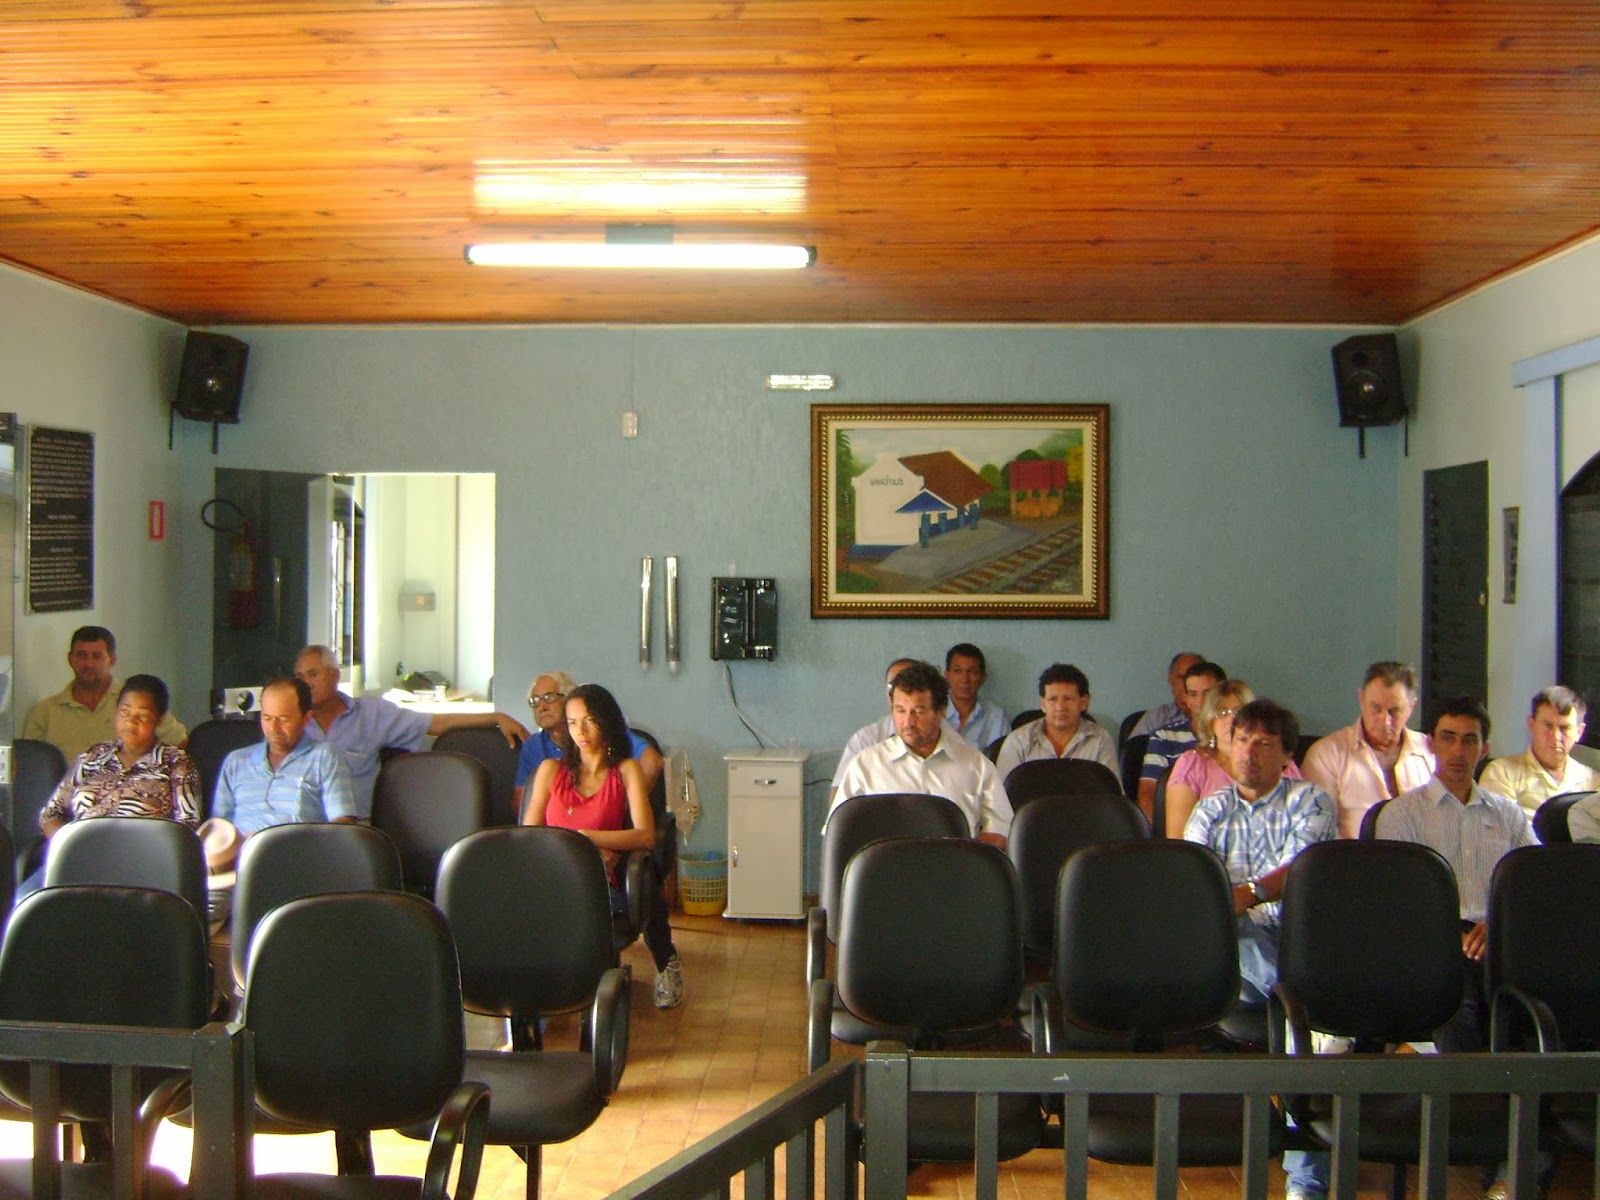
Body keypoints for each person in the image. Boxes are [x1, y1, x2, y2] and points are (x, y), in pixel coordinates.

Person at [1182, 698, 1335, 1200]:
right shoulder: (1211, 809)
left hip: (1301, 941)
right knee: (1301, 1023)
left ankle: (1305, 1182)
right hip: (1233, 954)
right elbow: (1198, 889)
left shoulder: (1311, 801)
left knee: (1295, 1033)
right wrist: (1232, 904)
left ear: (1287, 754)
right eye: (1242, 740)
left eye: (1265, 743)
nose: (1249, 752)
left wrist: (1249, 892)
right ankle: (1315, 1021)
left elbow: (1304, 870)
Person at [1374, 698, 1535, 1053]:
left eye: (1469, 740)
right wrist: (1450, 935)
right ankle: (1471, 1086)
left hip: (1498, 936)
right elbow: (1397, 900)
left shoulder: (1509, 815)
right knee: (1455, 995)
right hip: (1433, 939)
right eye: (1448, 738)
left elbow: (1533, 885)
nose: (1458, 751)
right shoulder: (1401, 815)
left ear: (1484, 749)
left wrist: (1498, 926)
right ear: (1431, 743)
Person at [524, 683, 683, 1009]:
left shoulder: (625, 770)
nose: (580, 731)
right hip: (552, 875)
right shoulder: (550, 770)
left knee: (636, 882)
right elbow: (529, 836)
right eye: (572, 722)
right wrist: (580, 847)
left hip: (599, 879)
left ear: (606, 722)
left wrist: (588, 838)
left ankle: (657, 966)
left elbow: (645, 835)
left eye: (589, 721)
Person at [294, 644, 530, 820]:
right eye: (300, 677)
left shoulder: (371, 714)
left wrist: (495, 717)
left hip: (355, 830)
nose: (306, 683)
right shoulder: (288, 722)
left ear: (335, 675)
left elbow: (436, 724)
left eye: (313, 674)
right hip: (297, 826)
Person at [18, 674, 201, 899]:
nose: (130, 722)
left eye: (142, 716)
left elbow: (186, 827)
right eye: (124, 712)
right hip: (78, 862)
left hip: (142, 869)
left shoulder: (176, 763)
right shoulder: (92, 756)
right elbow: (50, 814)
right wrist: (69, 847)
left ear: (159, 720)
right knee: (22, 903)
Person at [830, 661, 1013, 848]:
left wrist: (966, 856)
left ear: (941, 711)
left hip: (956, 863)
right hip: (885, 863)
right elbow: (838, 833)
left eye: (918, 711)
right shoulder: (865, 765)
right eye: (900, 710)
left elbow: (1001, 829)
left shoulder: (976, 765)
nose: (908, 722)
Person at [1301, 661, 1435, 839]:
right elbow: (1318, 832)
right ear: (1361, 699)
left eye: (1394, 711)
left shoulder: (1431, 752)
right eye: (1376, 708)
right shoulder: (1326, 755)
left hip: (1420, 853)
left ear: (1411, 707)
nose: (1385, 720)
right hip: (1352, 855)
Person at [212, 677, 357, 834]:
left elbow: (343, 824)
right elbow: (219, 828)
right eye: (267, 718)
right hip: (244, 848)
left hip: (300, 846)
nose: (274, 728)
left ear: (306, 719)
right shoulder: (235, 762)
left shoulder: (324, 757)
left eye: (283, 719)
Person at [1162, 679, 1304, 838]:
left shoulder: (1280, 762)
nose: (1231, 719)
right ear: (1210, 722)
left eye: (1238, 711)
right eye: (1222, 712)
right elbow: (1179, 840)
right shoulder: (1193, 764)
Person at [511, 670, 663, 818]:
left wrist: (620, 810)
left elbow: (652, 761)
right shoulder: (533, 747)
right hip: (555, 828)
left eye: (549, 697)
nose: (542, 707)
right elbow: (521, 805)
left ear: (570, 699)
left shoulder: (606, 734)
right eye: (535, 701)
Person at [23, 625, 187, 760]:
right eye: (81, 655)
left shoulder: (138, 703)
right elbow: (29, 767)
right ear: (70, 659)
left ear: (112, 660)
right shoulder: (44, 713)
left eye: (97, 656)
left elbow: (181, 744)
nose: (88, 664)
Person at [1479, 685, 1599, 818]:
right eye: (1548, 726)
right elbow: (1500, 828)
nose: (1555, 736)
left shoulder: (1593, 781)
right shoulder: (1501, 773)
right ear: (1532, 725)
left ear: (1579, 732)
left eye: (1564, 728)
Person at [993, 663, 1119, 784]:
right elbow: (1001, 794)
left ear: (1083, 703)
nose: (1060, 707)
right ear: (1043, 704)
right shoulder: (1018, 741)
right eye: (1052, 699)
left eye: (1067, 699)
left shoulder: (1100, 740)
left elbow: (1112, 793)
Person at [1138, 659, 1226, 822]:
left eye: (1207, 694)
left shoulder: (1237, 738)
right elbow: (1147, 795)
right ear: (1186, 699)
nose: (1200, 702)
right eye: (1193, 695)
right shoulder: (1163, 736)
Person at [828, 656, 926, 798]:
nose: (898, 692)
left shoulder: (948, 739)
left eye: (908, 684)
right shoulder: (865, 740)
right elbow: (838, 797)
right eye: (892, 686)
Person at [1127, 651, 1204, 741]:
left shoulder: (1216, 717)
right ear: (1170, 679)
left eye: (1192, 677)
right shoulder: (1155, 719)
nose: (1186, 683)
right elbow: (1134, 749)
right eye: (1181, 677)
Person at [943, 643, 1007, 749]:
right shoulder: (932, 713)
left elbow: (1003, 757)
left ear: (983, 677)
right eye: (958, 671)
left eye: (972, 672)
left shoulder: (997, 717)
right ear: (947, 675)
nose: (964, 679)